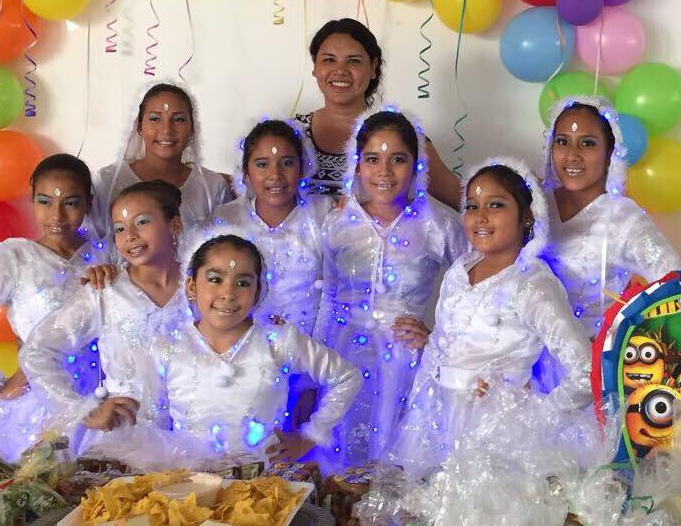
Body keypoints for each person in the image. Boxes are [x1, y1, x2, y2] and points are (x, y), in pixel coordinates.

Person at [388, 158, 592, 480]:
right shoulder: (460, 271)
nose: (480, 216)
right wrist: (419, 408)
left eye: (495, 205)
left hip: (495, 437)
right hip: (435, 422)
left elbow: (586, 369)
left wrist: (534, 417)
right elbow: (444, 345)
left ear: (526, 216)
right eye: (472, 206)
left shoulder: (530, 284)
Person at [87, 232, 362, 467]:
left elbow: (347, 377)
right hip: (189, 485)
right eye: (215, 279)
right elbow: (153, 420)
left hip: (264, 489)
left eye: (243, 283)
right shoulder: (167, 348)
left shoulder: (277, 341)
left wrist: (309, 437)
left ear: (258, 291)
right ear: (192, 286)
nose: (228, 294)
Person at [314, 108, 467, 468]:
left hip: (404, 363)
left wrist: (438, 338)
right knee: (337, 469)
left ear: (416, 165)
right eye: (372, 159)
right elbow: (328, 296)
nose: (384, 172)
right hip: (341, 357)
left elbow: (476, 287)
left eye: (397, 159)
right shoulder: (338, 221)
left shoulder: (438, 224)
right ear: (357, 165)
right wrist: (314, 364)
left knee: (394, 465)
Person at [0, 154, 114, 461]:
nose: (57, 215)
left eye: (71, 203)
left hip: (106, 400)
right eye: (45, 201)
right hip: (38, 407)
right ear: (31, 197)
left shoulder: (108, 254)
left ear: (88, 202)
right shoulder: (16, 258)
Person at [21, 180, 191, 454]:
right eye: (120, 228)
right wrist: (84, 410)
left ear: (174, 225)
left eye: (142, 222)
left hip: (196, 437)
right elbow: (37, 351)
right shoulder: (105, 291)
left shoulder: (203, 287)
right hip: (127, 441)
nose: (130, 236)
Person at [541, 96, 681, 338]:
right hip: (525, 357)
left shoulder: (624, 219)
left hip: (592, 355)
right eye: (563, 141)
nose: (572, 155)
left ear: (609, 152)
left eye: (587, 143)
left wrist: (629, 342)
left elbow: (675, 285)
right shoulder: (536, 204)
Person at [295, 18, 460, 209]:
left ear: (373, 68)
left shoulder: (400, 133)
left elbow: (462, 199)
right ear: (315, 67)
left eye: (354, 61)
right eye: (329, 60)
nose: (340, 70)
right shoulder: (293, 133)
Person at [206, 119, 331, 336]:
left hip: (312, 346)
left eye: (287, 163)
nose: (276, 175)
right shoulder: (226, 221)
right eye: (262, 164)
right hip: (242, 346)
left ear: (302, 168)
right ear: (246, 173)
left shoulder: (323, 214)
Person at [90, 82, 231, 237]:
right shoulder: (107, 183)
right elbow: (90, 241)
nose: (166, 130)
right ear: (140, 127)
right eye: (155, 118)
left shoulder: (212, 187)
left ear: (192, 128)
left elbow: (225, 242)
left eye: (178, 119)